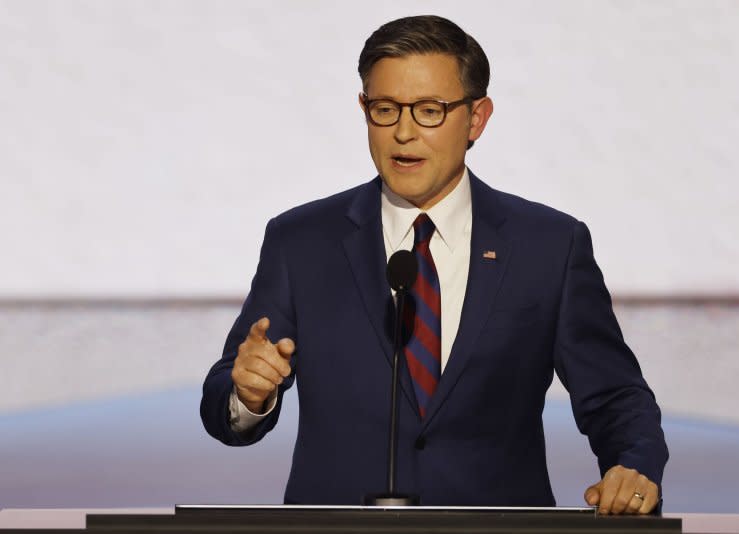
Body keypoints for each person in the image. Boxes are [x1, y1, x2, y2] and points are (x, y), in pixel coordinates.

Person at [201, 15, 668, 515]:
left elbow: (615, 396)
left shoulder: (549, 246)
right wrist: (248, 396)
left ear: (476, 118)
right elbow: (224, 399)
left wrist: (632, 467)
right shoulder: (302, 241)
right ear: (364, 110)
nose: (403, 132)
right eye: (384, 109)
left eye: (429, 110)